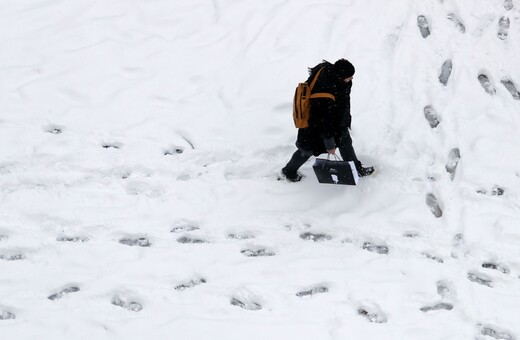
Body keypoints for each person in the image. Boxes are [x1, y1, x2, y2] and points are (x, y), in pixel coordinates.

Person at [281, 59, 374, 182]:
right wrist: (330, 144)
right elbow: (323, 122)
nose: (351, 79)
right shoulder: (324, 93)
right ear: (340, 77)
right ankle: (288, 171)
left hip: (336, 121)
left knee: (345, 142)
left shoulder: (330, 71)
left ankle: (355, 169)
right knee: (307, 149)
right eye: (349, 78)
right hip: (314, 125)